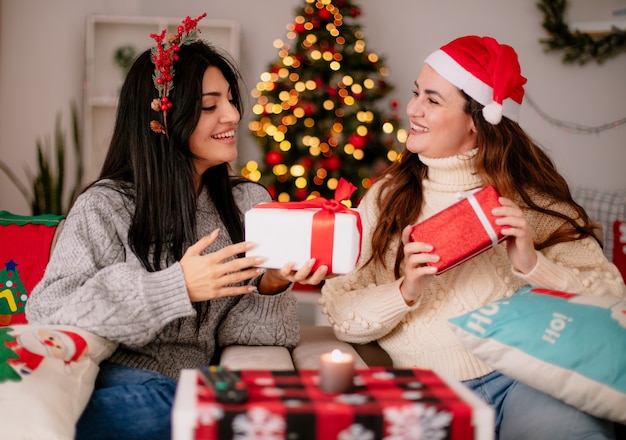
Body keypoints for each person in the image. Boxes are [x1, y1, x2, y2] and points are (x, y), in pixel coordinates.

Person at [26, 14, 327, 440]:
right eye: (209, 106)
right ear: (162, 122)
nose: (232, 115)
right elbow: (48, 311)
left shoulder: (247, 203)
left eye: (229, 99)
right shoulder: (106, 206)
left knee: (195, 405)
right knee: (164, 407)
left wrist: (272, 285)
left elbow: (246, 334)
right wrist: (175, 287)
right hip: (111, 382)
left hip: (181, 390)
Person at [320, 35, 626, 440]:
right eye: (416, 94)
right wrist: (405, 289)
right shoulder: (387, 197)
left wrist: (534, 265)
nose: (413, 108)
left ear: (475, 121)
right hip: (431, 392)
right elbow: (341, 312)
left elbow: (611, 296)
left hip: (529, 380)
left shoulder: (530, 200)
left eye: (432, 99)